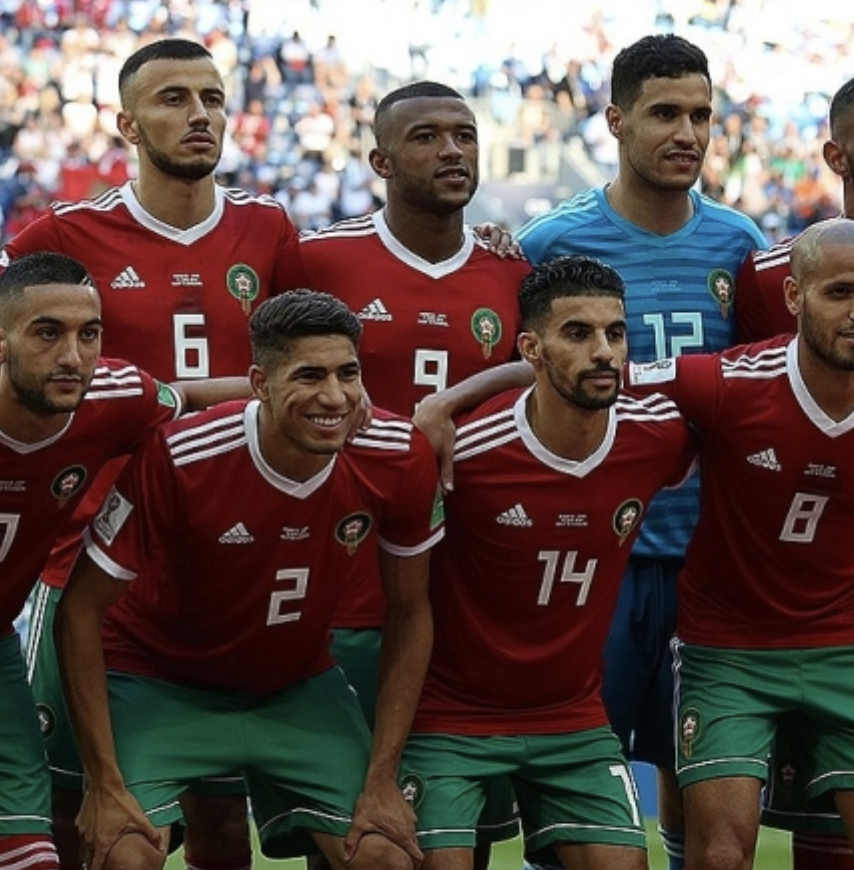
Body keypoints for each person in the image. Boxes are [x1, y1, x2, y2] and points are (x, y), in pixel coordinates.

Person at [436, 34, 765, 870]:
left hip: (705, 558)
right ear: (616, 121)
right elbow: (520, 384)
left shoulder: (740, 245)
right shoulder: (550, 242)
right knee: (571, 779)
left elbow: (756, 393)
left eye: (700, 115)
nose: (686, 133)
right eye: (664, 113)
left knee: (700, 786)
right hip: (588, 559)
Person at [0, 37, 308, 870]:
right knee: (73, 807)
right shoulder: (66, 231)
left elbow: (317, 349)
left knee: (222, 821)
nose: (199, 114)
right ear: (128, 125)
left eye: (211, 97)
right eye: (173, 98)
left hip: (225, 554)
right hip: (88, 551)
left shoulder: (269, 227)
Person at [54, 289, 443, 870]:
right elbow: (80, 609)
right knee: (124, 854)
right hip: (159, 680)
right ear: (259, 383)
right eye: (309, 376)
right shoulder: (182, 455)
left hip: (296, 685)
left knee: (386, 856)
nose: (335, 397)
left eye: (348, 373)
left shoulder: (399, 453)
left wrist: (383, 778)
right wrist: (104, 782)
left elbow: (411, 610)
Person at [399, 254, 695, 870]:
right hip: (452, 715)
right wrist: (446, 404)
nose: (605, 353)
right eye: (578, 334)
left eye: (615, 333)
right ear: (531, 349)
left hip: (572, 718)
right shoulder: (460, 453)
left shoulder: (657, 435)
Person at [298, 79, 531, 860]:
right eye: (427, 137)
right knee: (348, 832)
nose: (452, 150)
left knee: (459, 830)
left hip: (469, 587)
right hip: (347, 583)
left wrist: (453, 401)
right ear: (381, 161)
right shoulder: (318, 258)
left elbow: (546, 367)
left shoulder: (511, 270)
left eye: (464, 134)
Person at [621, 217, 854, 870]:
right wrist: (447, 406)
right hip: (731, 649)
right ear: (793, 297)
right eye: (839, 292)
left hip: (844, 644)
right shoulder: (729, 382)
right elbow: (591, 378)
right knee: (721, 855)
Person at [0, 250, 243, 870]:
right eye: (47, 333)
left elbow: (187, 401)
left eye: (89, 334)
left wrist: (301, 393)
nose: (72, 356)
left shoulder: (116, 396)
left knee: (34, 854)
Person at [733, 76, 854, 870]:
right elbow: (735, 413)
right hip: (796, 602)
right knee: (820, 824)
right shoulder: (767, 275)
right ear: (838, 155)